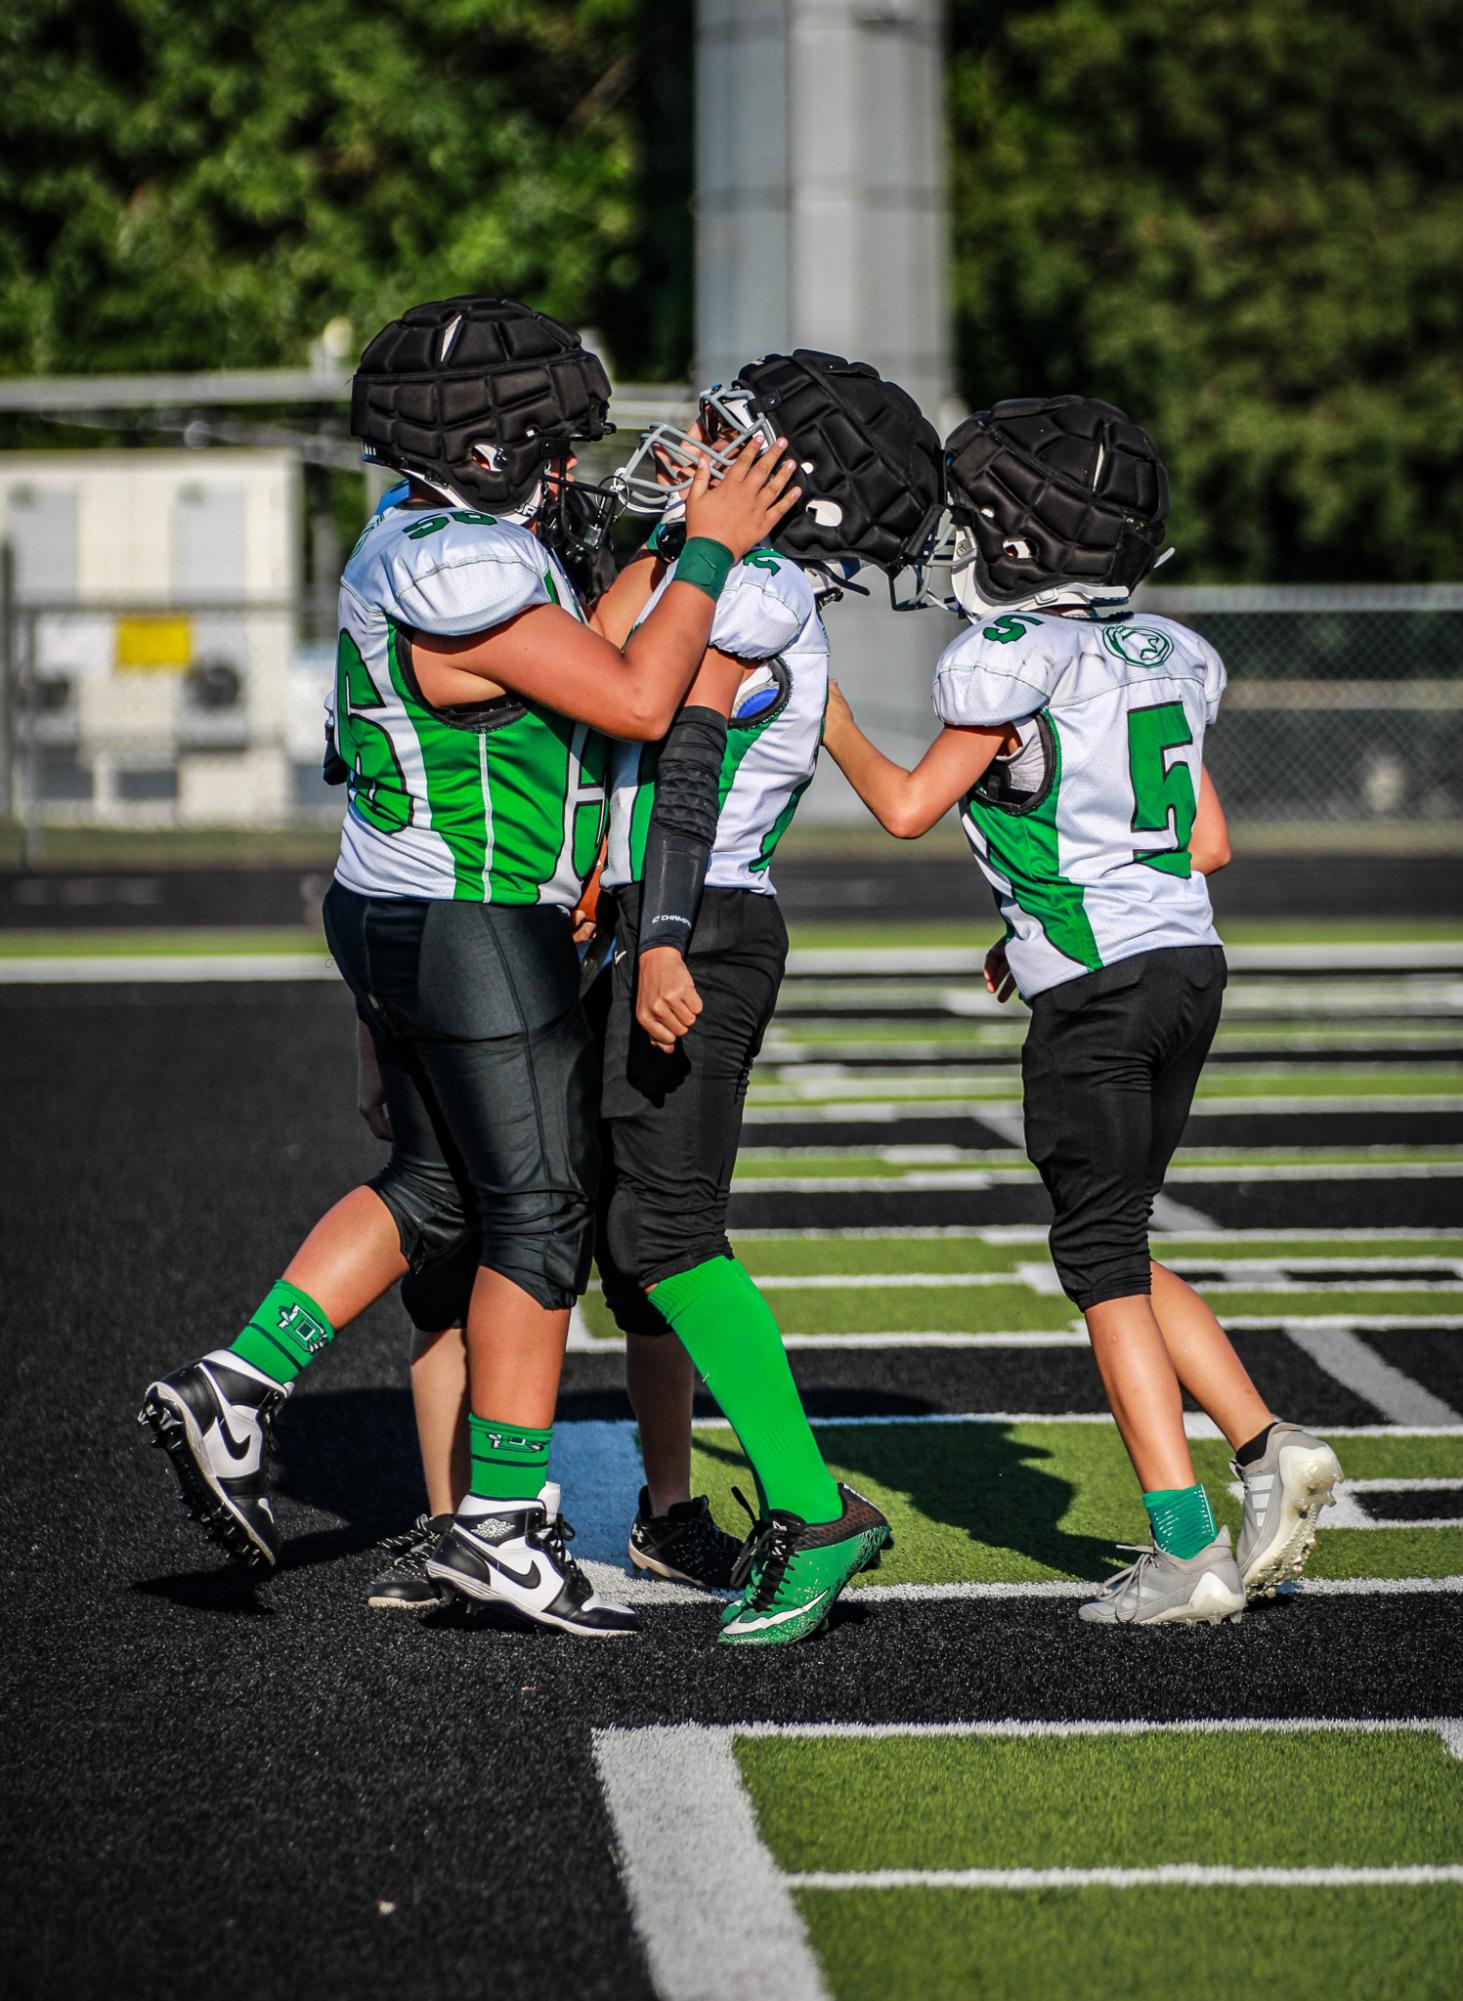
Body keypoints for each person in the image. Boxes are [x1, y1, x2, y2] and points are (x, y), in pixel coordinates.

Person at [139, 294, 800, 1641]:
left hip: (403, 909)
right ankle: (497, 1525)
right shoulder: (456, 568)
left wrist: (677, 540)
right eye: (549, 442)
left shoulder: (419, 533)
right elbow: (630, 696)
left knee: (437, 1185)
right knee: (544, 1215)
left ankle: (240, 1385)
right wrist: (714, 553)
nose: (569, 464)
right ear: (494, 448)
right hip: (471, 914)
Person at [821, 393, 1343, 1627]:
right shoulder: (1165, 650)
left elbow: (903, 809)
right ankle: (1268, 1448)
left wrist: (825, 713)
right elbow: (1202, 839)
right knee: (1120, 1233)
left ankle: (1181, 1549)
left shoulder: (1002, 660)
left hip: (1099, 991)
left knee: (1097, 1260)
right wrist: (1036, 915)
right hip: (1183, 968)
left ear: (1012, 542)